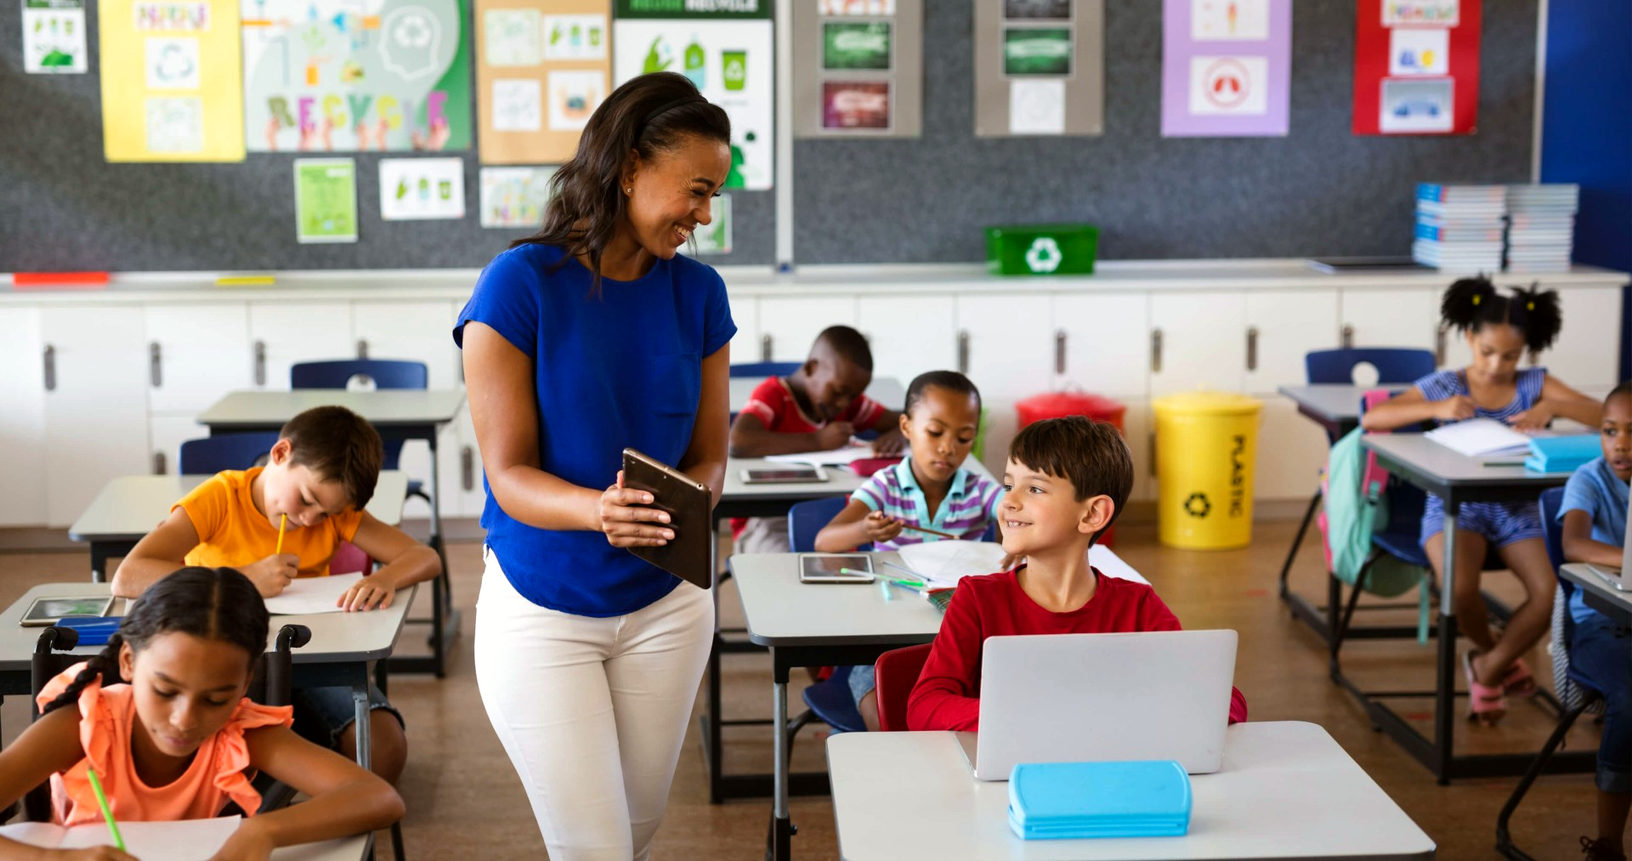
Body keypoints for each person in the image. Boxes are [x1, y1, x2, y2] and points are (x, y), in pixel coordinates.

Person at [455, 71, 734, 861]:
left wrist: (695, 496)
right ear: (628, 168)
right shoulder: (519, 286)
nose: (704, 216)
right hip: (546, 608)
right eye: (696, 190)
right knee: (595, 847)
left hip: (669, 605)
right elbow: (508, 474)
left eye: (714, 195)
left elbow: (712, 451)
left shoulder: (700, 293)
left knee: (634, 835)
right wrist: (597, 510)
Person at [111, 405, 438, 782]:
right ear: (281, 454)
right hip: (220, 662)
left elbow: (422, 557)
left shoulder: (334, 512)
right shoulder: (220, 497)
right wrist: (241, 578)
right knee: (224, 756)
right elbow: (129, 576)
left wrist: (387, 577)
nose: (310, 519)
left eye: (326, 513)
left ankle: (306, 772)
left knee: (384, 750)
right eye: (306, 499)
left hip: (312, 658)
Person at [0, 567, 403, 860]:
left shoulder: (238, 731)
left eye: (215, 699)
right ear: (127, 662)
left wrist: (262, 831)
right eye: (164, 690)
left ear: (244, 686)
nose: (184, 719)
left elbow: (378, 797)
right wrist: (56, 859)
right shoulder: (85, 724)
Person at [907, 416, 1248, 732]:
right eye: (1009, 484)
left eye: (1035, 488)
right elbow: (924, 706)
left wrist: (1119, 714)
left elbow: (1228, 702)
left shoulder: (1138, 606)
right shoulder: (978, 599)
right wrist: (1033, 715)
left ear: (1093, 514)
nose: (1008, 500)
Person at [1362, 277, 1601, 724]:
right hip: (1455, 508)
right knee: (1459, 587)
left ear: (1526, 350)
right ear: (1469, 338)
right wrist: (1434, 410)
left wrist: (1555, 409)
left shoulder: (1536, 384)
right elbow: (1375, 416)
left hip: (1517, 510)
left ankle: (1486, 669)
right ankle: (1498, 657)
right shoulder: (1445, 385)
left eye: (1510, 356)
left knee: (1549, 593)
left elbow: (1607, 413)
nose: (1496, 366)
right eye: (1487, 351)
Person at [813, 370, 1005, 730]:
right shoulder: (886, 486)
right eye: (935, 433)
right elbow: (825, 540)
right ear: (906, 426)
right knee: (880, 705)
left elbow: (1011, 510)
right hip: (888, 642)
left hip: (961, 645)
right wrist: (864, 528)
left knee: (984, 710)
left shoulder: (979, 491)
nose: (948, 448)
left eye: (964, 438)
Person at [728, 324, 904, 553]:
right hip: (766, 521)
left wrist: (899, 433)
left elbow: (904, 422)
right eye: (839, 392)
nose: (843, 403)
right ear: (811, 369)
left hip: (830, 516)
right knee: (790, 568)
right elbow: (738, 442)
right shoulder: (774, 395)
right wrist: (817, 441)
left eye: (853, 396)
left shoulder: (849, 403)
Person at [1558, 382, 1632, 861]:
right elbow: (1574, 545)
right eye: (1609, 431)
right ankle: (1607, 845)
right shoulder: (1589, 479)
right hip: (1601, 624)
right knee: (1631, 693)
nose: (1620, 443)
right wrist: (1630, 561)